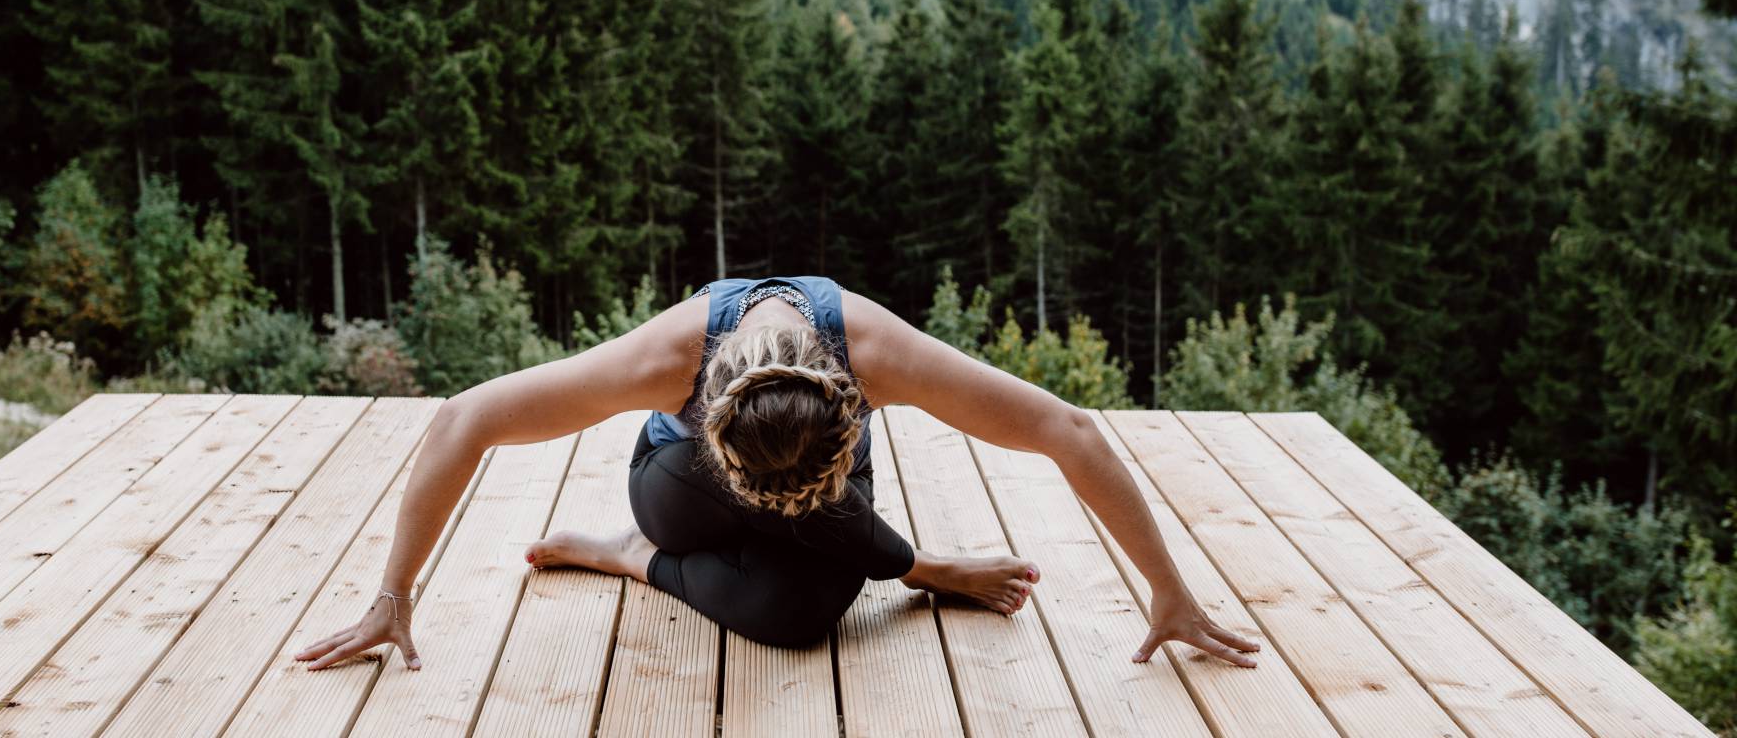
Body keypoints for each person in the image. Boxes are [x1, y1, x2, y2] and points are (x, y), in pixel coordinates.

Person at [295, 275, 1261, 669]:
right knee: (781, 533)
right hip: (681, 494)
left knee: (804, 620)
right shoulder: (665, 358)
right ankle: (643, 547)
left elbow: (1071, 432)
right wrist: (393, 593)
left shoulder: (880, 352)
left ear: (851, 407)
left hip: (827, 507)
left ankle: (842, 547)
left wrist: (1168, 592)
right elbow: (465, 418)